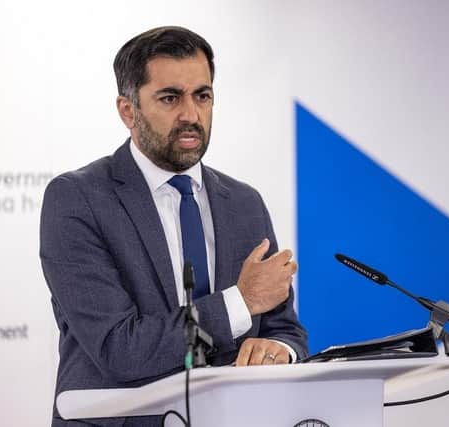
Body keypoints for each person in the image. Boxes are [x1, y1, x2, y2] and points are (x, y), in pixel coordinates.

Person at [40, 26, 308, 426]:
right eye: (170, 98)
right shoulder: (78, 199)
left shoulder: (244, 203)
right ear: (128, 111)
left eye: (202, 96)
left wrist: (278, 348)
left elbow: (285, 329)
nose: (190, 115)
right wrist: (240, 302)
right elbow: (119, 347)